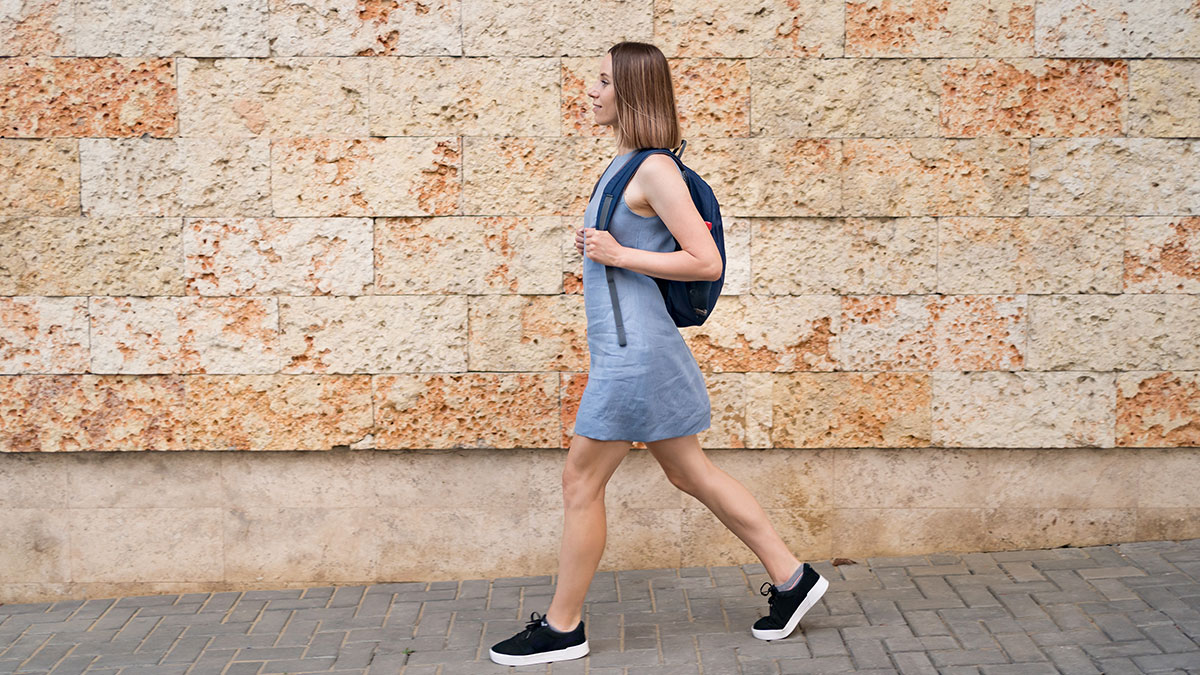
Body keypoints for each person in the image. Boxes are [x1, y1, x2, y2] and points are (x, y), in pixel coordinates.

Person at [488, 41, 829, 667]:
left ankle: (564, 627)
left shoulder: (654, 170)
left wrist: (619, 254)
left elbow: (706, 261)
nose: (589, 91)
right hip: (634, 350)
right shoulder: (625, 166)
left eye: (602, 81)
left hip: (635, 357)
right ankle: (793, 578)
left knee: (580, 481)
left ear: (633, 93)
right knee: (688, 472)